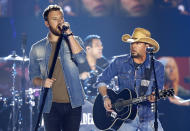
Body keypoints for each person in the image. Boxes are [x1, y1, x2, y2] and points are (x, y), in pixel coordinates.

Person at [29, 4, 86, 131]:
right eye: (54, 19)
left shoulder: (75, 40)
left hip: (73, 103)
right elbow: (33, 77)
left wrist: (69, 35)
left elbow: (81, 59)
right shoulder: (37, 48)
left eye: (61, 18)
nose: (59, 21)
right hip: (50, 105)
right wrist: (43, 82)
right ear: (47, 23)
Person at [96, 27, 164, 131]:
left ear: (147, 46)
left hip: (148, 117)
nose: (133, 46)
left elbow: (159, 90)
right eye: (132, 43)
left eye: (137, 43)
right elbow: (101, 80)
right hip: (125, 118)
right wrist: (105, 97)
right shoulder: (119, 62)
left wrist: (155, 96)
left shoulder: (157, 66)